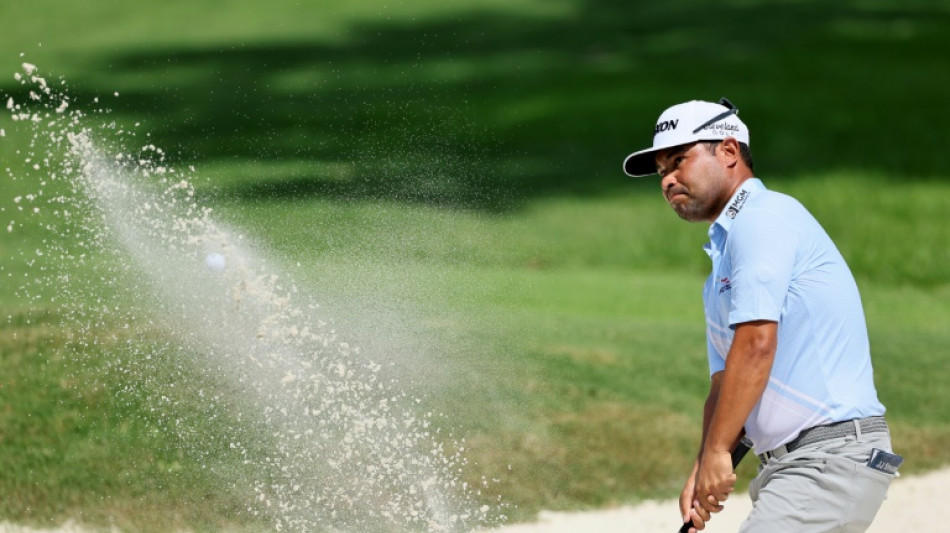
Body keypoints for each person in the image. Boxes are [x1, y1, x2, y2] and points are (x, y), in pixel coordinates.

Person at [622, 99, 901, 533]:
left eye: (680, 160)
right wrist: (703, 465)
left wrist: (718, 455)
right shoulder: (721, 263)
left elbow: (756, 345)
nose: (669, 179)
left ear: (729, 151)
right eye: (662, 171)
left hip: (829, 458)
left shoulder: (763, 219)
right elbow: (724, 381)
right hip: (798, 466)